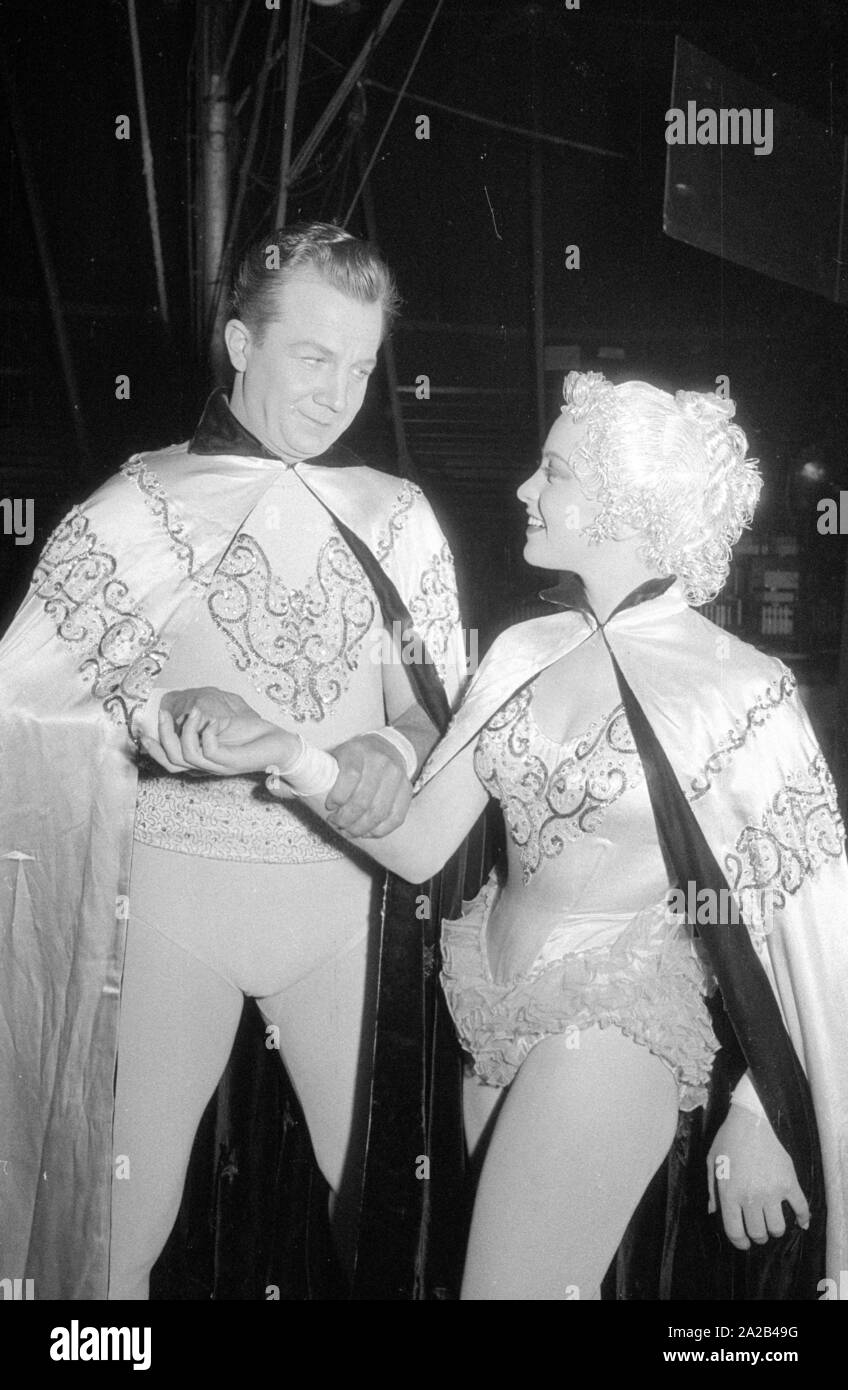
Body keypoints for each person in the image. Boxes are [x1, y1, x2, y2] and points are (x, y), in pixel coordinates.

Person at [164, 370, 848, 1300]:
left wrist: (764, 1110)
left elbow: (812, 930)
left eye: (553, 471)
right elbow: (414, 844)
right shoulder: (524, 649)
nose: (524, 490)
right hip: (486, 1012)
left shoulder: (737, 688)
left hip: (616, 1017)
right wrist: (288, 752)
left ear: (622, 502)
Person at [0, 223, 467, 1300]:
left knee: (396, 1228)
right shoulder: (137, 504)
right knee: (109, 1240)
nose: (338, 392)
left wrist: (386, 743)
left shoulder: (397, 518)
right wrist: (154, 705)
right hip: (168, 909)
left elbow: (440, 713)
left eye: (359, 366)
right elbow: (24, 708)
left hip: (347, 916)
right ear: (238, 344)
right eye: (313, 356)